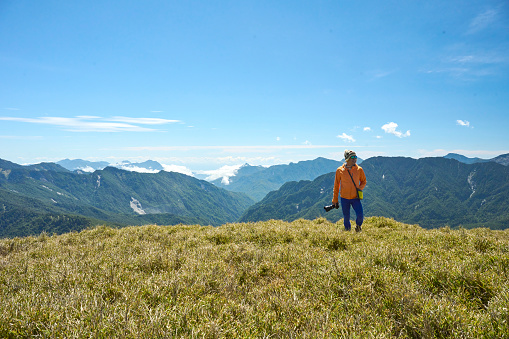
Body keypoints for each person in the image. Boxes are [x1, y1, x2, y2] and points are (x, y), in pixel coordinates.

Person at [331, 150, 366, 232]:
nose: (355, 159)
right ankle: (347, 231)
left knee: (360, 215)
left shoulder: (359, 169)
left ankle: (358, 227)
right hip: (344, 198)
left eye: (355, 157)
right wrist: (335, 199)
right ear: (347, 159)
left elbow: (364, 181)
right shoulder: (339, 170)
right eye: (352, 157)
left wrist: (359, 189)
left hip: (355, 198)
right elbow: (336, 186)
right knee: (346, 217)